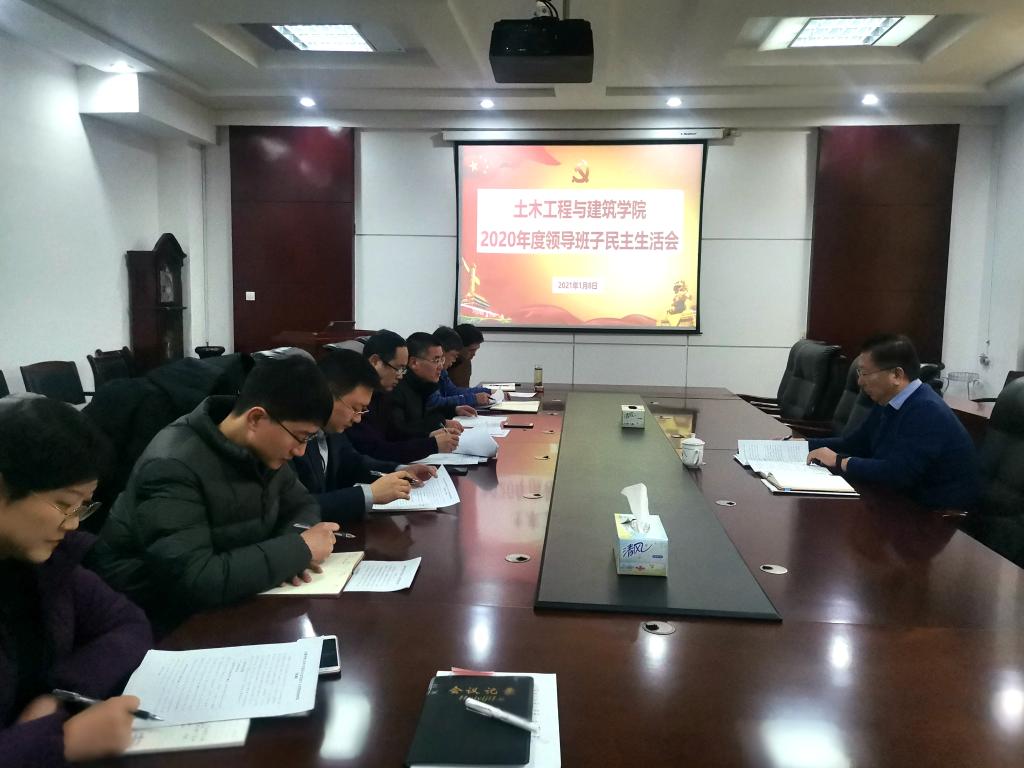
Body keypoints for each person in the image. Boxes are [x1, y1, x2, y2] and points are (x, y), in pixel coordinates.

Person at [88, 357, 341, 630]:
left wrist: (289, 557)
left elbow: (302, 505)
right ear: (256, 418)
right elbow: (195, 579)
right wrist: (298, 550)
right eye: (301, 437)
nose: (301, 451)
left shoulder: (265, 451)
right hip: (156, 620)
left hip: (231, 601)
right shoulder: (172, 466)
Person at [0, 397, 152, 766]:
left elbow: (128, 624)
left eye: (82, 507)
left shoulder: (45, 564)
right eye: (63, 504)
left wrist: (59, 695)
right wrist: (59, 742)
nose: (72, 524)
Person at [806, 334, 981, 510]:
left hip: (931, 513)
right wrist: (801, 446)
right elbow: (855, 443)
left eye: (865, 373)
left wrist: (840, 461)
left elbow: (898, 473)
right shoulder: (888, 401)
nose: (860, 381)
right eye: (859, 373)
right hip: (895, 498)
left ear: (896, 374)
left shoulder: (927, 410)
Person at [292, 350, 436, 524]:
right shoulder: (292, 437)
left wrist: (400, 470)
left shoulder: (332, 430)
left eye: (362, 410)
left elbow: (354, 463)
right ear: (326, 394)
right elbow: (296, 508)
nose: (358, 419)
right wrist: (368, 495)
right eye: (355, 408)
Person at [347, 330, 462, 463]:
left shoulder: (381, 394)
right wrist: (431, 444)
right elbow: (376, 450)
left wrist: (428, 436)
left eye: (403, 369)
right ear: (375, 361)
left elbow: (395, 433)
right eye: (398, 368)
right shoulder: (357, 398)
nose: (401, 375)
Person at [390, 332, 476, 440]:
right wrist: (439, 426)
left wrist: (454, 410)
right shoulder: (396, 388)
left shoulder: (422, 384)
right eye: (436, 360)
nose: (441, 367)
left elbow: (429, 413)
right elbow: (400, 431)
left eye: (441, 360)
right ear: (414, 363)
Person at [427, 326, 491, 408]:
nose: (454, 360)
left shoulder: (442, 371)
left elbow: (452, 391)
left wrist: (489, 391)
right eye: (454, 355)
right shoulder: (429, 371)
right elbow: (436, 402)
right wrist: (474, 399)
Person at [447, 324, 484, 388]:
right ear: (458, 346)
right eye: (471, 350)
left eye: (476, 350)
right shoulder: (444, 366)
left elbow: (464, 388)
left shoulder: (466, 361)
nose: (474, 354)